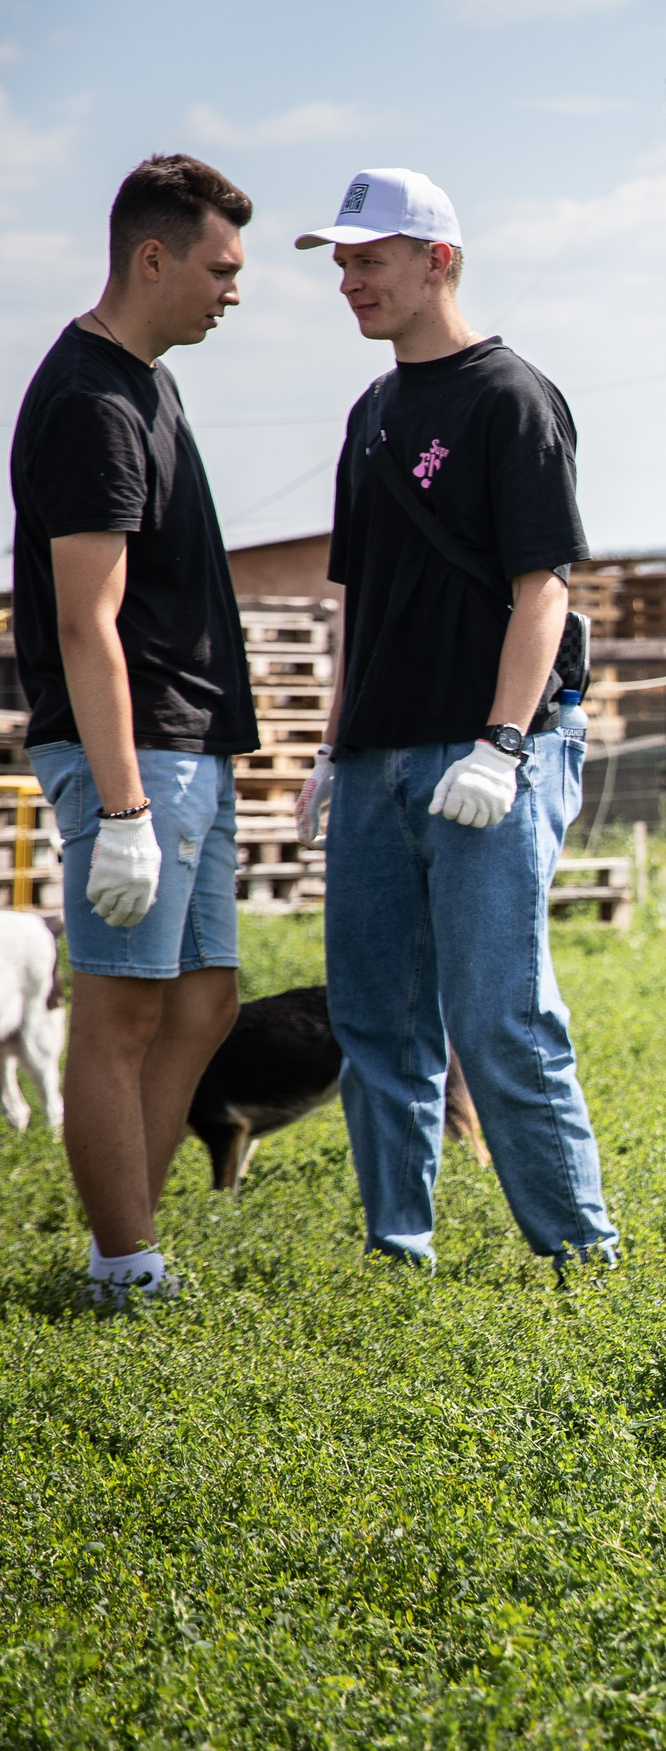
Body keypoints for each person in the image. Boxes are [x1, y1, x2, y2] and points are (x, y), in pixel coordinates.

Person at [289, 167, 615, 1270]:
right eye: (340, 265)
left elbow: (545, 588)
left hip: (488, 755)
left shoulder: (510, 398)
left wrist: (505, 741)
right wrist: (334, 747)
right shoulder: (371, 414)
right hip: (379, 755)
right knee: (376, 1024)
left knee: (499, 1019)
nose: (350, 283)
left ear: (439, 261)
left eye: (368, 261)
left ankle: (582, 1258)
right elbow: (359, 601)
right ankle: (398, 1251)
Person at [10, 155, 257, 1305]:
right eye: (220, 266)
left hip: (188, 742)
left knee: (204, 997)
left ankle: (135, 1236)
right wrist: (121, 810)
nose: (233, 289)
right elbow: (79, 617)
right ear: (151, 256)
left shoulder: (148, 379)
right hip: (135, 751)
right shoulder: (93, 404)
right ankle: (123, 1266)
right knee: (118, 1010)